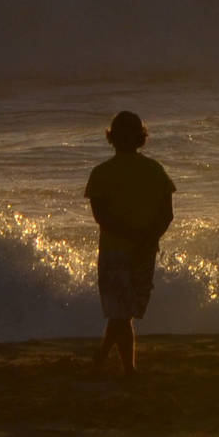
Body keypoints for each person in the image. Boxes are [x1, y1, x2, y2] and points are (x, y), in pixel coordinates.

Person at [85, 111, 174, 376]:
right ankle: (126, 368)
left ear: (110, 138)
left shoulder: (100, 173)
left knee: (121, 311)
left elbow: (102, 217)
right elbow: (167, 214)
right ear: (141, 138)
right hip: (145, 250)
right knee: (125, 312)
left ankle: (104, 358)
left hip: (115, 250)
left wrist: (131, 236)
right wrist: (147, 238)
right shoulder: (154, 170)